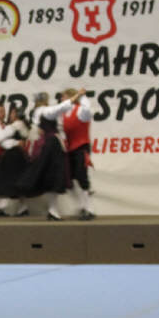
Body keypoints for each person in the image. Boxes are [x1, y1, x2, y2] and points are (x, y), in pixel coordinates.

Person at [17, 88, 86, 220]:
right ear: (44, 100)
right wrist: (77, 95)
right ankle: (53, 210)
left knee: (51, 176)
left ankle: (53, 210)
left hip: (47, 144)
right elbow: (60, 108)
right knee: (55, 176)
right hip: (52, 146)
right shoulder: (45, 110)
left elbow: (40, 128)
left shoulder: (37, 112)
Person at [62, 88, 95, 221]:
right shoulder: (63, 114)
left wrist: (82, 96)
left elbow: (88, 110)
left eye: (64, 97)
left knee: (81, 176)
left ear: (71, 97)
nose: (61, 99)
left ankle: (89, 209)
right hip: (70, 149)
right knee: (71, 178)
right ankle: (83, 205)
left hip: (81, 147)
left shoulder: (81, 110)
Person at [0, 106, 30, 217]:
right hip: (20, 156)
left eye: (12, 113)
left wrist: (13, 142)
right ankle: (23, 208)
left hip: (13, 156)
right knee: (18, 180)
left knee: (6, 180)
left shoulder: (15, 125)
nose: (10, 115)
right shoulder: (23, 125)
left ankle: (0, 207)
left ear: (17, 115)